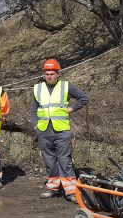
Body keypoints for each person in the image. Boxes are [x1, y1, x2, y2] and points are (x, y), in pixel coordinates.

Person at [31, 59, 89, 203]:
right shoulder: (38, 88)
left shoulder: (65, 86)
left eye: (52, 73)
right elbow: (33, 110)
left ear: (58, 74)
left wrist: (71, 109)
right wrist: (35, 127)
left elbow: (84, 98)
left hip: (61, 130)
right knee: (49, 160)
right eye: (47, 73)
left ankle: (70, 191)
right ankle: (52, 188)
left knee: (64, 160)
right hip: (44, 130)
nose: (49, 76)